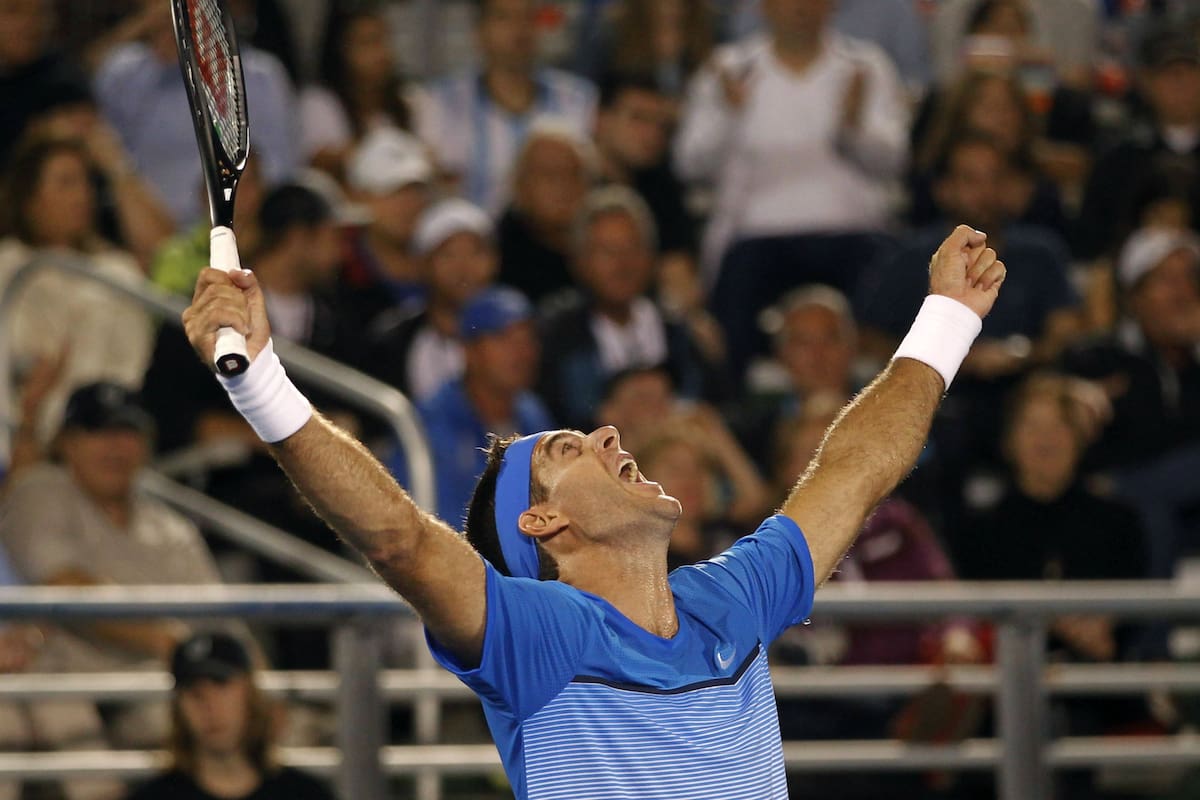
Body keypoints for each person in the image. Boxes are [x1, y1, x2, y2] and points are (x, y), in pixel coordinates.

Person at [182, 220, 1007, 798]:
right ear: (541, 524)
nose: (610, 432)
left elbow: (855, 470)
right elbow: (400, 539)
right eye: (565, 449)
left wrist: (944, 322)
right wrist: (261, 382)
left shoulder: (730, 599)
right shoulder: (537, 635)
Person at [674, 0, 909, 372]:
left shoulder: (865, 67)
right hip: (756, 239)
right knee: (738, 289)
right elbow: (690, 164)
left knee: (889, 278)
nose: (800, 7)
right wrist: (729, 116)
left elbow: (894, 162)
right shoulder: (729, 69)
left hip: (853, 236)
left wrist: (852, 127)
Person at [0, 383, 227, 751]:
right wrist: (164, 638)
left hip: (157, 680)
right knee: (56, 719)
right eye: (98, 433)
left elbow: (222, 620)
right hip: (62, 676)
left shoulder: (169, 528)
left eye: (127, 433)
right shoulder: (41, 493)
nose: (115, 447)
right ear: (67, 443)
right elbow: (65, 586)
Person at [1060, 227, 1200, 578]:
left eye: (1191, 279)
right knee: (1149, 511)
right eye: (1166, 280)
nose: (1183, 293)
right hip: (1119, 511)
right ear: (1134, 297)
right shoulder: (1097, 359)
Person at [0, 134, 154, 444]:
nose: (82, 195)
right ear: (29, 197)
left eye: (86, 182)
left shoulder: (118, 271)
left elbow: (129, 368)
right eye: (65, 183)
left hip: (95, 434)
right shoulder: (7, 264)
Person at [91, 0, 298, 227]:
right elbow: (91, 131)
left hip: (238, 227)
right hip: (145, 231)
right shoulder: (124, 73)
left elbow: (280, 171)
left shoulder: (260, 77)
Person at [536, 186, 720, 430]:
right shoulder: (556, 339)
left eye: (632, 248)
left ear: (651, 257)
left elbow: (715, 410)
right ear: (579, 261)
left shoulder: (683, 335)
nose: (622, 263)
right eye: (607, 251)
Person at [412, 0, 597, 212]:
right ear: (480, 32)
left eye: (528, 16)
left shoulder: (577, 100)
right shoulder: (438, 104)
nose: (520, 28)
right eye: (504, 17)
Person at [394, 286, 553, 528]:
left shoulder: (533, 413)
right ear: (469, 351)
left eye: (527, 338)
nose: (521, 352)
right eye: (503, 338)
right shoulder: (430, 423)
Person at [126, 632, 334, 800]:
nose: (209, 706)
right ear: (178, 708)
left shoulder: (303, 793)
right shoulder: (154, 796)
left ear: (249, 693)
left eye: (221, 684)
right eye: (194, 693)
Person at [1076, 24, 1200, 261]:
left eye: (1190, 72)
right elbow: (1091, 244)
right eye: (1171, 74)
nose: (1182, 84)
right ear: (1146, 82)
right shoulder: (1119, 160)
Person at [365, 198, 497, 403]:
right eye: (448, 254)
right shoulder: (393, 340)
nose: (464, 268)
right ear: (422, 264)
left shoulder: (518, 336)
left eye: (475, 252)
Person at [299, 6, 414, 178]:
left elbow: (433, 161)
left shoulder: (410, 99)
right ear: (341, 50)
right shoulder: (318, 102)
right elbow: (320, 161)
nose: (381, 53)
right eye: (367, 42)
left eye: (384, 40)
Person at [339, 127, 434, 330]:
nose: (408, 204)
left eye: (416, 190)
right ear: (361, 196)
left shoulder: (442, 258)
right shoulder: (340, 269)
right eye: (393, 192)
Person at [496, 119, 596, 305]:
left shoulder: (601, 244)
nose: (563, 185)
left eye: (573, 173)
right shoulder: (496, 254)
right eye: (549, 174)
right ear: (520, 185)